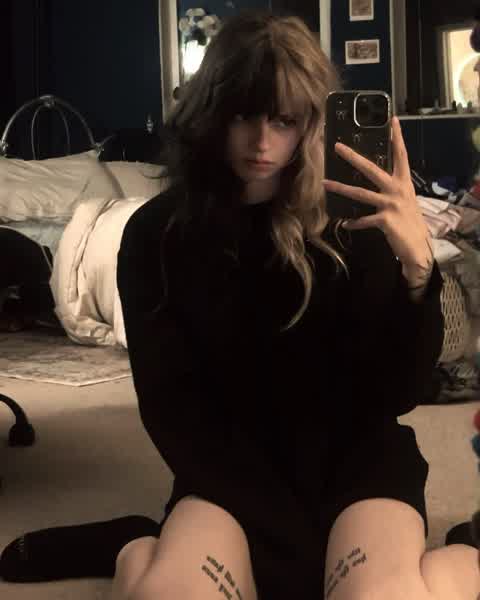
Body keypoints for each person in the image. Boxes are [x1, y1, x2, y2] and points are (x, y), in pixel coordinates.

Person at [1, 10, 479, 600]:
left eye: (284, 120)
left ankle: (466, 553)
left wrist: (417, 268)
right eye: (243, 115)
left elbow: (397, 394)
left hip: (358, 466)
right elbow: (173, 412)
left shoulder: (354, 224)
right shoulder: (157, 234)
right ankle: (135, 545)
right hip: (226, 477)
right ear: (211, 112)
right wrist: (284, 546)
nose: (261, 142)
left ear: (310, 121)